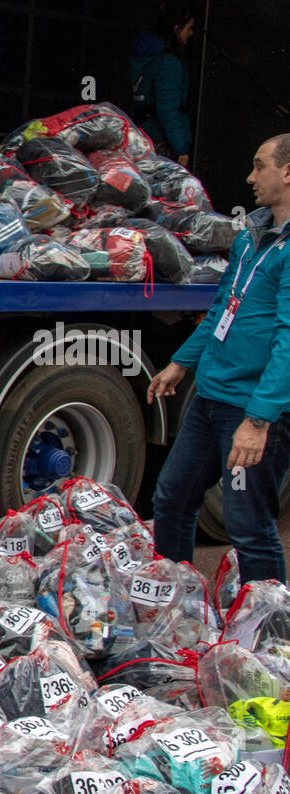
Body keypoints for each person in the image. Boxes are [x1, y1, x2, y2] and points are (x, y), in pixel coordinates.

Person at [147, 133, 290, 584]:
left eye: (259, 165)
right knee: (172, 498)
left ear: (288, 172)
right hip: (209, 398)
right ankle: (174, 606)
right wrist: (181, 363)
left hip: (248, 411)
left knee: (248, 525)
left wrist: (259, 419)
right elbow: (221, 309)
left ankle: (271, 633)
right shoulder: (251, 237)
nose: (250, 177)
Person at [130, 2, 195, 167]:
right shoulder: (169, 64)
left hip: (144, 136)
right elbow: (168, 110)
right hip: (161, 141)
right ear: (177, 29)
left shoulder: (147, 59)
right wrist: (181, 149)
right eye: (189, 28)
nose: (191, 33)